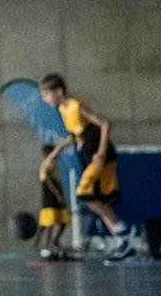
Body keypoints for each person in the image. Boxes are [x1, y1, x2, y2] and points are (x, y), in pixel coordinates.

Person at [39, 75, 133, 260]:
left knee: (85, 194)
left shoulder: (75, 105)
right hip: (89, 155)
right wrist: (61, 146)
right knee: (97, 200)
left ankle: (124, 233)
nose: (45, 99)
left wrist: (101, 152)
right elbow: (77, 134)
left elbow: (105, 123)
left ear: (59, 91)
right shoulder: (63, 110)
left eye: (46, 94)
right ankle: (123, 241)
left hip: (100, 155)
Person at [34, 156, 71, 259]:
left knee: (64, 219)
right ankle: (47, 244)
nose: (54, 163)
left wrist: (62, 196)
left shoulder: (55, 172)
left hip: (58, 201)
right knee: (49, 222)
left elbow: (58, 185)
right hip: (49, 201)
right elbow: (50, 185)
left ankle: (55, 241)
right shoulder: (44, 170)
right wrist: (58, 195)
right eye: (52, 161)